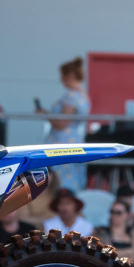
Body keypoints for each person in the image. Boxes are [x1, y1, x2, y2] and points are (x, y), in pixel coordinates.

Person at [36, 58, 91, 191]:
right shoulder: (83, 95)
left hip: (62, 140)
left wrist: (45, 114)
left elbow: (61, 123)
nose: (61, 80)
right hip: (72, 139)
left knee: (61, 177)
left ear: (70, 76)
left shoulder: (71, 96)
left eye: (62, 76)